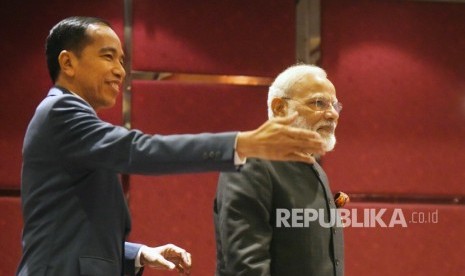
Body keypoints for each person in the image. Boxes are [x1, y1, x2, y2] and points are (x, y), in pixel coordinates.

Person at [17, 17, 327, 276]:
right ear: (68, 62)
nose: (120, 70)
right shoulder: (61, 112)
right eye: (108, 56)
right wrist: (243, 143)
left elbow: (72, 234)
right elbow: (137, 150)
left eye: (122, 61)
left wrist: (138, 254)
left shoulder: (72, 123)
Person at [214, 64, 344, 276]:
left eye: (335, 105)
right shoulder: (250, 162)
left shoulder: (314, 169)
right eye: (319, 103)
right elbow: (246, 267)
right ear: (279, 108)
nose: (332, 114)